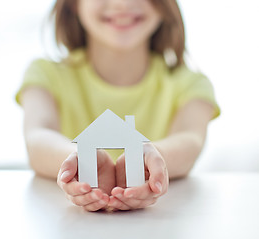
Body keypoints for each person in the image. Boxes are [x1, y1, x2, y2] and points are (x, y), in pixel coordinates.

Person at [16, 0, 220, 212]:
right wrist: (82, 162)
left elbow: (190, 140)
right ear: (75, 4)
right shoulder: (46, 74)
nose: (122, 4)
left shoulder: (190, 84)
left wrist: (150, 160)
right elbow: (38, 136)